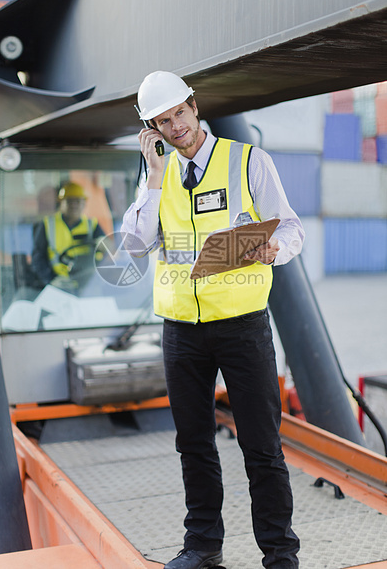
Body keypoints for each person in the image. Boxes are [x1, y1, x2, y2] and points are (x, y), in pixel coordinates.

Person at [121, 71, 304, 569]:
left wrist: (275, 248)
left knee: (262, 446)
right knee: (193, 444)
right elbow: (136, 246)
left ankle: (280, 554)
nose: (175, 126)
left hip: (242, 325)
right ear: (152, 129)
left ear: (194, 107)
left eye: (180, 113)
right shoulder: (154, 177)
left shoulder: (248, 161)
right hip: (181, 331)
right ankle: (202, 546)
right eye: (163, 120)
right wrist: (155, 180)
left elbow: (290, 227)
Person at [32, 181, 104, 289]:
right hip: (58, 283)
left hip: (87, 284)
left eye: (78, 201)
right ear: (60, 203)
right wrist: (50, 280)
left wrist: (105, 245)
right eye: (69, 201)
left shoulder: (92, 225)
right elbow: (38, 257)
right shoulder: (47, 224)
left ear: (84, 203)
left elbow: (107, 250)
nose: (74, 205)